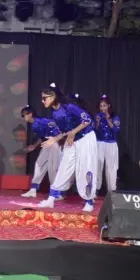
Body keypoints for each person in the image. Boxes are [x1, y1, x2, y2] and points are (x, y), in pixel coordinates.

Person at [38, 83, 97, 212]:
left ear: (53, 96)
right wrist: (55, 139)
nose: (42, 101)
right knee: (64, 166)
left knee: (85, 168)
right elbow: (64, 132)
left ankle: (89, 201)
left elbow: (87, 120)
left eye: (44, 98)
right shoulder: (54, 113)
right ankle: (51, 198)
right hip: (72, 140)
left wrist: (73, 132)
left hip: (86, 138)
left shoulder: (69, 107)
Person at [19, 105, 62, 199]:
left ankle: (57, 193)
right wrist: (34, 146)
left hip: (53, 142)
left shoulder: (42, 121)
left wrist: (56, 139)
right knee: (39, 164)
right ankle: (33, 189)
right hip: (46, 143)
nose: (23, 117)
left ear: (30, 114)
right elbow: (41, 137)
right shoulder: (34, 125)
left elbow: (57, 127)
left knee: (53, 167)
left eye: (24, 115)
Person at [95, 95, 120, 193]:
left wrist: (108, 119)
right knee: (98, 165)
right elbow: (95, 130)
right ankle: (96, 189)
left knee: (111, 167)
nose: (102, 108)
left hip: (111, 143)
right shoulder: (98, 116)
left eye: (104, 106)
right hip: (99, 143)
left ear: (109, 106)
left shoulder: (115, 117)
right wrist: (98, 122)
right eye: (101, 106)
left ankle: (111, 190)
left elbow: (116, 129)